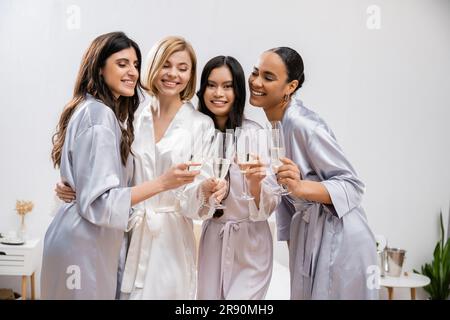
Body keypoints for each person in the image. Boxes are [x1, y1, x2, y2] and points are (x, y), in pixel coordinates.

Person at [42, 32, 199, 299]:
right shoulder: (99, 115)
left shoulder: (102, 112)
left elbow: (93, 187)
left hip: (87, 239)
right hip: (82, 243)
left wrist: (78, 190)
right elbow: (101, 203)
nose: (133, 72)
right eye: (122, 63)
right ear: (100, 68)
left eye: (135, 64)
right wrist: (163, 183)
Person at [248, 47, 378, 299]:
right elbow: (287, 200)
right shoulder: (275, 125)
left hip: (341, 239)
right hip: (309, 237)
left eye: (268, 77)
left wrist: (300, 188)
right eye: (255, 72)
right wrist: (296, 251)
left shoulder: (303, 124)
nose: (256, 82)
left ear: (290, 86)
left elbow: (352, 186)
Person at [118, 36, 225, 299]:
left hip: (172, 239)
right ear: (153, 67)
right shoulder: (131, 118)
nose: (173, 74)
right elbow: (114, 176)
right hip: (130, 231)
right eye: (166, 65)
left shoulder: (200, 125)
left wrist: (207, 190)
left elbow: (195, 202)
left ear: (191, 75)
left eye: (182, 68)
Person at [195, 56, 280, 299]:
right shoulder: (198, 135)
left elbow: (270, 205)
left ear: (238, 91)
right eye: (211, 85)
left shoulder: (255, 134)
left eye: (228, 86)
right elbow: (192, 200)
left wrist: (255, 184)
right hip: (214, 239)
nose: (218, 93)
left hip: (251, 243)